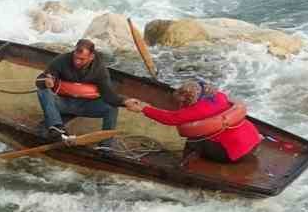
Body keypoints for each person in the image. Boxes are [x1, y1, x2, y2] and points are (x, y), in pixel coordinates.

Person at [123, 78, 262, 163]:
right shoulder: (220, 96)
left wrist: (143, 108)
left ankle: (185, 165)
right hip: (254, 144)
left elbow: (170, 119)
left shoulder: (197, 111)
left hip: (231, 153)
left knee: (193, 137)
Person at [36, 38, 124, 140]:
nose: (77, 61)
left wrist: (125, 102)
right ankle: (56, 127)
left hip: (86, 106)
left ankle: (105, 145)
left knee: (112, 107)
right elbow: (39, 81)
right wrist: (47, 80)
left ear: (91, 57)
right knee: (42, 91)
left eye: (82, 59)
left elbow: (109, 95)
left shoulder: (100, 69)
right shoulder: (61, 60)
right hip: (63, 103)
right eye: (75, 57)